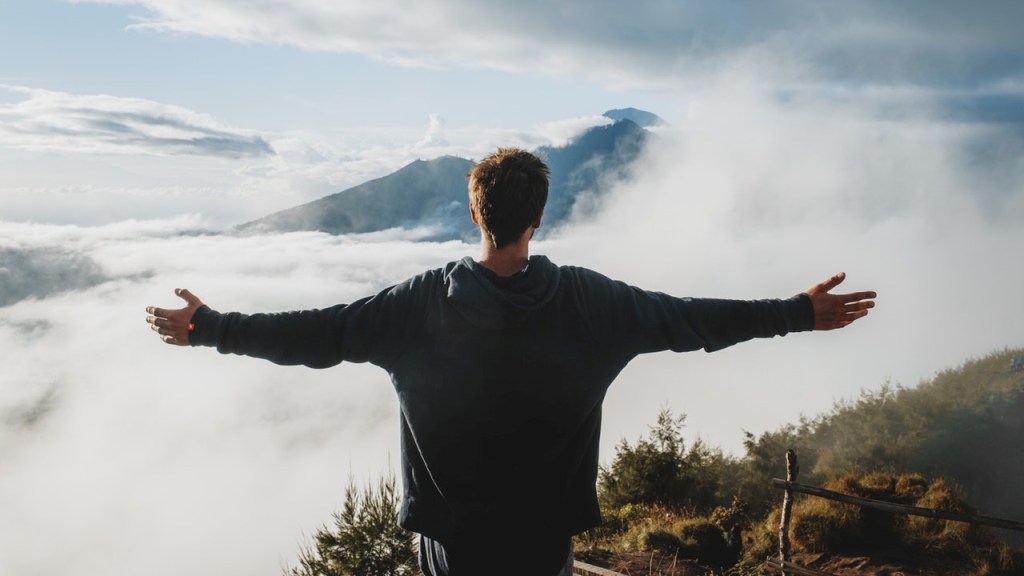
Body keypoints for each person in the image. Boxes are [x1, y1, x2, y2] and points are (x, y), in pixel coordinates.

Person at [146, 147, 876, 576]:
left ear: (474, 213)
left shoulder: (415, 307)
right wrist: (797, 313)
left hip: (451, 548)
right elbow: (695, 320)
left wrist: (209, 327)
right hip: (542, 545)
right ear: (538, 218)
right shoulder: (595, 305)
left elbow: (316, 335)